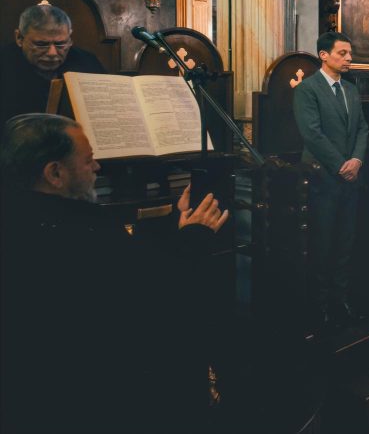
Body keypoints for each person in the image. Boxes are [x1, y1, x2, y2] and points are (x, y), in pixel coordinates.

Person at [0, 113, 229, 433]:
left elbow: (129, 260)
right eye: (88, 160)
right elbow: (153, 295)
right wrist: (194, 238)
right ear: (55, 173)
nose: (97, 168)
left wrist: (173, 226)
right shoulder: (82, 231)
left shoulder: (24, 212)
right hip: (93, 398)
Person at [293, 32, 369, 327]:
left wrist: (357, 161)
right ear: (324, 56)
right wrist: (341, 165)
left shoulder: (350, 89)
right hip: (322, 178)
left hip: (351, 178)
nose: (349, 58)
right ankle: (320, 308)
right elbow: (312, 134)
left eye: (349, 53)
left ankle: (341, 301)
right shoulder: (308, 90)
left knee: (345, 243)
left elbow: (362, 128)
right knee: (322, 244)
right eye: (343, 53)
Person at [0, 3, 105, 123]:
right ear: (19, 38)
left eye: (60, 44)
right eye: (41, 44)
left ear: (70, 38)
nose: (52, 53)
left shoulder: (88, 62)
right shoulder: (4, 64)